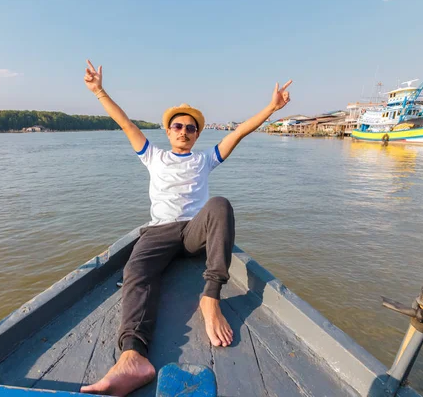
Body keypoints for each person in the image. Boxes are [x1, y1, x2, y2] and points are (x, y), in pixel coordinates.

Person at [80, 60, 291, 396]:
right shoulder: (152, 155)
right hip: (159, 232)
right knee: (136, 269)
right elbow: (124, 122)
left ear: (197, 134)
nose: (183, 131)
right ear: (168, 131)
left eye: (190, 128)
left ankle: (210, 299)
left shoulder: (205, 159)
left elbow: (238, 131)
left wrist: (272, 107)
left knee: (220, 204)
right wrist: (99, 91)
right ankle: (133, 356)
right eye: (177, 126)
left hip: (195, 234)